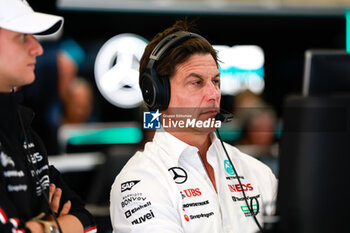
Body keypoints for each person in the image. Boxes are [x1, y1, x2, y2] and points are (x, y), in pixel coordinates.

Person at [110, 19, 277, 233]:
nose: (214, 94)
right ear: (158, 94)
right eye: (196, 82)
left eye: (215, 81)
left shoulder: (256, 172)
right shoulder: (138, 182)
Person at [0, 0, 97, 232]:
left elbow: (87, 222)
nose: (38, 48)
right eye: (23, 37)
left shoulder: (26, 132)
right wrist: (52, 226)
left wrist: (37, 228)